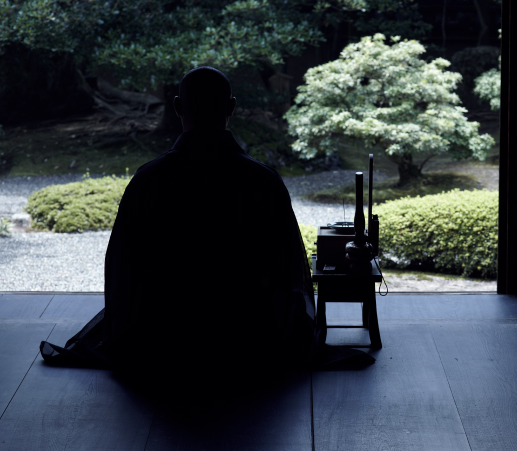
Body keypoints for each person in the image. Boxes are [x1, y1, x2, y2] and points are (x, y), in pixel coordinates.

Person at [40, 67, 373, 387]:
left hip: (162, 333)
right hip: (247, 333)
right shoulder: (262, 182)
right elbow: (289, 272)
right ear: (231, 108)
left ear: (178, 107)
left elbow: (123, 271)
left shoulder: (148, 181)